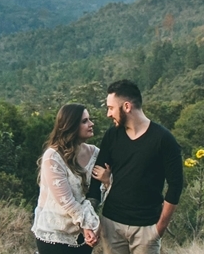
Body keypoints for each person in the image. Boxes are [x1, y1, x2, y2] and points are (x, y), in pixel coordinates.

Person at [90, 80, 183, 254]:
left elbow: (176, 185)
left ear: (126, 106)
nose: (108, 114)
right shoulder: (112, 136)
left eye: (111, 108)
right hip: (111, 225)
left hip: (146, 229)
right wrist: (91, 219)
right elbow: (95, 177)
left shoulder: (164, 139)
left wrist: (159, 229)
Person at [32, 103, 101, 253]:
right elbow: (66, 201)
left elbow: (98, 192)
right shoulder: (53, 156)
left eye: (89, 119)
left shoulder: (95, 154)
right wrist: (87, 225)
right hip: (55, 235)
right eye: (84, 121)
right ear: (71, 126)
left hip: (84, 234)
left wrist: (108, 180)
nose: (91, 124)